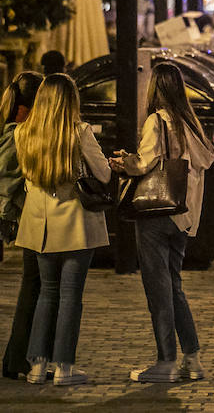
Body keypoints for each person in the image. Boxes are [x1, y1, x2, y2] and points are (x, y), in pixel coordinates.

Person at [111, 62, 214, 382]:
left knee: (158, 288)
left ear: (155, 88)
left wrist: (122, 162)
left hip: (158, 214)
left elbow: (144, 162)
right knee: (174, 285)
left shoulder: (158, 122)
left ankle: (165, 361)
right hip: (184, 216)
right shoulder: (191, 123)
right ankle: (192, 358)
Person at [13, 74, 112, 385]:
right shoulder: (79, 132)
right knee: (70, 296)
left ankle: (36, 367)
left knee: (46, 293)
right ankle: (65, 368)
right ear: (71, 101)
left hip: (39, 224)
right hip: (74, 223)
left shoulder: (23, 132)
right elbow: (104, 175)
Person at [0, 73, 43, 380]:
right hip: (24, 219)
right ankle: (18, 357)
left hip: (25, 220)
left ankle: (17, 357)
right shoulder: (19, 134)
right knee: (35, 286)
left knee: (34, 285)